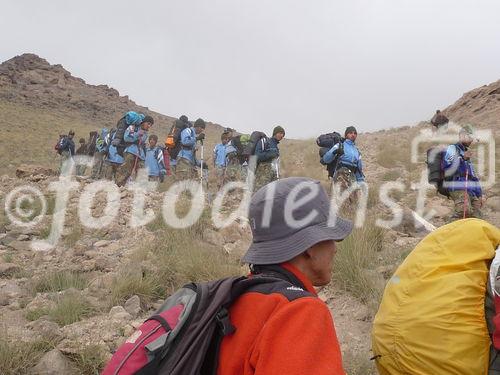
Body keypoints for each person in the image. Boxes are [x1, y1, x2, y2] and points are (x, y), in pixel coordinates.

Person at [217, 177, 352, 374]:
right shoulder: (301, 313)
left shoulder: (236, 295)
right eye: (331, 238)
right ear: (310, 247)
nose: (334, 249)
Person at [443, 124, 483, 219]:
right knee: (463, 211)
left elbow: (472, 176)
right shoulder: (452, 149)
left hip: (471, 190)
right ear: (461, 136)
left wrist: (480, 194)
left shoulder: (467, 153)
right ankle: (447, 232)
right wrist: (462, 158)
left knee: (477, 216)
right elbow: (447, 167)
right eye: (469, 137)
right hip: (457, 186)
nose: (471, 140)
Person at [322, 126, 364, 193]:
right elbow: (326, 159)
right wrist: (334, 152)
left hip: (352, 179)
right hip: (340, 177)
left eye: (355, 133)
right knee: (341, 200)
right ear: (346, 134)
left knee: (353, 201)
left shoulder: (357, 151)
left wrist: (361, 184)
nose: (353, 135)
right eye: (350, 133)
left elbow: (359, 170)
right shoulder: (340, 146)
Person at [115, 115, 154, 186]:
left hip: (140, 154)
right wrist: (137, 134)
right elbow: (127, 138)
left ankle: (138, 188)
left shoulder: (146, 132)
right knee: (126, 170)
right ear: (143, 122)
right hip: (130, 151)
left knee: (141, 171)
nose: (149, 126)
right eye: (148, 123)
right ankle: (119, 185)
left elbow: (142, 141)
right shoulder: (132, 127)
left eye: (150, 125)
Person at [254, 126, 285, 191]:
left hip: (273, 174)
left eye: (283, 134)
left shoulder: (275, 146)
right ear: (275, 133)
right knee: (259, 193)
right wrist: (271, 154)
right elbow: (257, 156)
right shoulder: (264, 141)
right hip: (263, 174)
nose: (281, 135)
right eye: (280, 133)